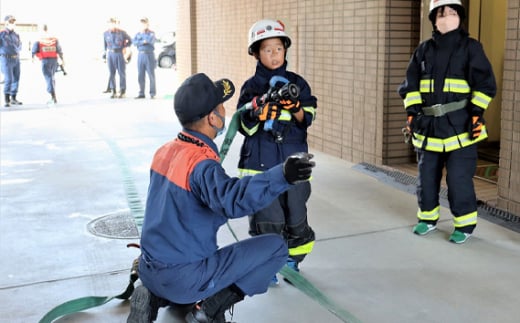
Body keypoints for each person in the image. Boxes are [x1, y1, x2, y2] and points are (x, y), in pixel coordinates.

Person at [127, 73, 315, 323]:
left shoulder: (165, 151)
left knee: (178, 261)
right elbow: (234, 200)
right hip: (185, 277)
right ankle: (208, 309)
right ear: (212, 118)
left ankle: (153, 295)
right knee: (275, 248)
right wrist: (282, 175)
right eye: (221, 106)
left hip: (150, 268)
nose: (225, 111)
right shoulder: (201, 164)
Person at [398, 0, 496, 244]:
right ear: (433, 19)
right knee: (426, 178)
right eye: (441, 14)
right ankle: (427, 219)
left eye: (452, 13)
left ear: (460, 18)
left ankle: (464, 225)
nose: (446, 18)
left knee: (458, 179)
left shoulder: (471, 47)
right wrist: (412, 114)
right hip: (428, 126)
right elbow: (410, 87)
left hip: (461, 126)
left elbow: (485, 85)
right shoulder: (423, 50)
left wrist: (476, 113)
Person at [235, 19, 317, 285]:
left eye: (278, 48)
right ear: (256, 53)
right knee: (266, 216)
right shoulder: (250, 87)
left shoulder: (298, 84)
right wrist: (257, 115)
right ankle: (268, 264)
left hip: (293, 163)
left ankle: (293, 261)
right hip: (260, 164)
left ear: (286, 50)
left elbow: (307, 118)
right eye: (267, 49)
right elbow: (243, 128)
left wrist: (294, 107)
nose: (273, 54)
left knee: (295, 213)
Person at [31, 24, 64, 104]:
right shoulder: (54, 39)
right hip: (54, 60)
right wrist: (63, 60)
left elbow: (34, 50)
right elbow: (59, 50)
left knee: (48, 77)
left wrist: (34, 58)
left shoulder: (39, 39)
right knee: (52, 77)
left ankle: (53, 97)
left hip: (45, 60)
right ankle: (53, 95)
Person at [103, 17, 131, 98]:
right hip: (111, 54)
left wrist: (125, 47)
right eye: (110, 23)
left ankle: (122, 91)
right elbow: (104, 46)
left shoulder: (122, 33)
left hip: (119, 53)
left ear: (116, 23)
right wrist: (104, 56)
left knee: (121, 73)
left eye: (113, 23)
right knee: (111, 73)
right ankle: (113, 91)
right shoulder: (105, 33)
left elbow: (130, 40)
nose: (111, 25)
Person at [0, 15, 23, 107]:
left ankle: (13, 98)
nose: (13, 23)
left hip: (16, 58)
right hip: (6, 58)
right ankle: (7, 99)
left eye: (14, 21)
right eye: (11, 22)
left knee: (16, 78)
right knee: (9, 79)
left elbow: (20, 45)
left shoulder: (16, 35)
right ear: (6, 23)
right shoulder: (2, 34)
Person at [132, 17, 156, 99]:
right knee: (140, 75)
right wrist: (143, 42)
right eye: (142, 23)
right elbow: (134, 42)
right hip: (140, 55)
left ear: (147, 24)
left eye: (144, 23)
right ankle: (141, 93)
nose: (143, 25)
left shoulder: (151, 33)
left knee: (151, 75)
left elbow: (150, 41)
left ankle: (152, 93)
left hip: (149, 55)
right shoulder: (138, 34)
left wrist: (141, 42)